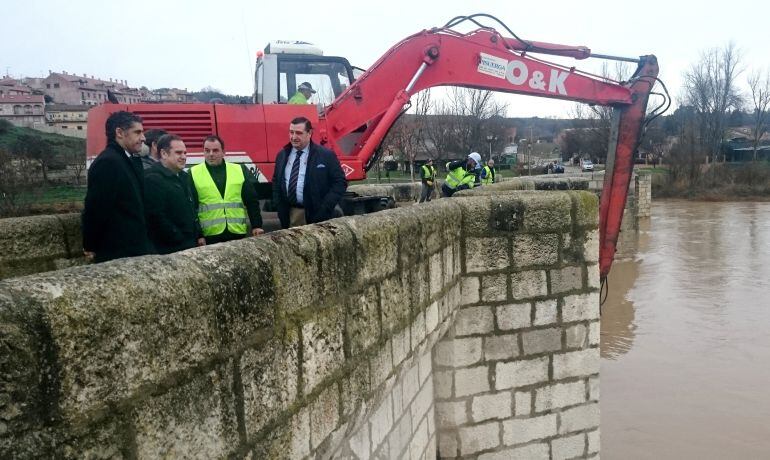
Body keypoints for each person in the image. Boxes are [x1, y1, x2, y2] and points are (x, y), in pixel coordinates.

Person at [82, 111, 153, 263]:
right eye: (137, 132)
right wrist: (90, 245)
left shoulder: (127, 159)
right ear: (119, 133)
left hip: (134, 248)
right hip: (119, 251)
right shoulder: (108, 162)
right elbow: (96, 209)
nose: (143, 138)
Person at [272, 117, 347, 228]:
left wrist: (325, 209)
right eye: (291, 132)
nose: (293, 137)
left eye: (299, 133)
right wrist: (279, 207)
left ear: (310, 133)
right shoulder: (282, 155)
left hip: (318, 217)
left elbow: (340, 183)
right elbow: (276, 182)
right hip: (291, 215)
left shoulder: (325, 155)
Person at [189, 135, 264, 245]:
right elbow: (191, 209)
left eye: (215, 150)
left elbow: (251, 201)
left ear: (223, 152)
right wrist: (198, 235)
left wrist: (257, 226)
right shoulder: (193, 173)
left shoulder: (239, 170)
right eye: (207, 150)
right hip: (210, 235)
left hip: (236, 232)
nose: (211, 154)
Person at [144, 134, 200, 254]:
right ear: (164, 154)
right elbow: (156, 216)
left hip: (190, 246)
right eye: (179, 153)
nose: (184, 157)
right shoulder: (152, 179)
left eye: (185, 153)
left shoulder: (184, 177)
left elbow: (192, 209)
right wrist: (178, 238)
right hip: (170, 250)